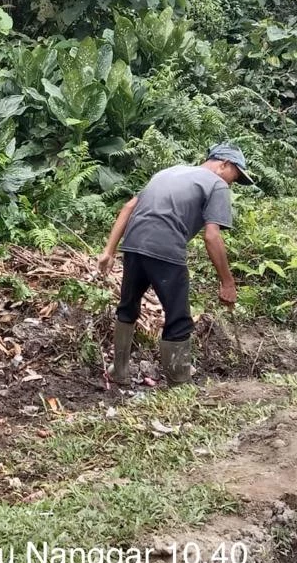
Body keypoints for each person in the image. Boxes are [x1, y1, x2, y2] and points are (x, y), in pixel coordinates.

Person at [96, 142, 253, 386]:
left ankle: (119, 372)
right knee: (178, 317)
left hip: (134, 244)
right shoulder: (217, 184)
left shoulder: (168, 172)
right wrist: (227, 282)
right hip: (166, 249)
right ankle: (179, 382)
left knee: (127, 307)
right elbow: (212, 236)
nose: (232, 183)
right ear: (224, 164)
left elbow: (128, 207)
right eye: (235, 176)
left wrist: (108, 251)